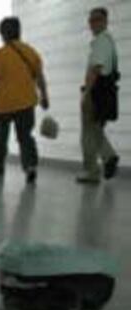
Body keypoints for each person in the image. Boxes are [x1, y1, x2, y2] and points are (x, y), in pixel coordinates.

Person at [0, 17, 49, 185]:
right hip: (26, 102)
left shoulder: (0, 54)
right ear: (19, 32)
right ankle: (30, 167)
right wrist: (44, 95)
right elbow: (40, 77)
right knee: (25, 137)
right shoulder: (31, 52)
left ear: (3, 34)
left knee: (0, 139)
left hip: (4, 104)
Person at [77, 6, 120, 184]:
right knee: (94, 130)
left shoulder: (102, 41)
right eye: (91, 20)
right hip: (102, 92)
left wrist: (86, 94)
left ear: (105, 22)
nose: (92, 23)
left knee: (88, 132)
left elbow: (96, 69)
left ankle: (92, 171)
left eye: (96, 20)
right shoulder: (105, 41)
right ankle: (108, 157)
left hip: (96, 93)